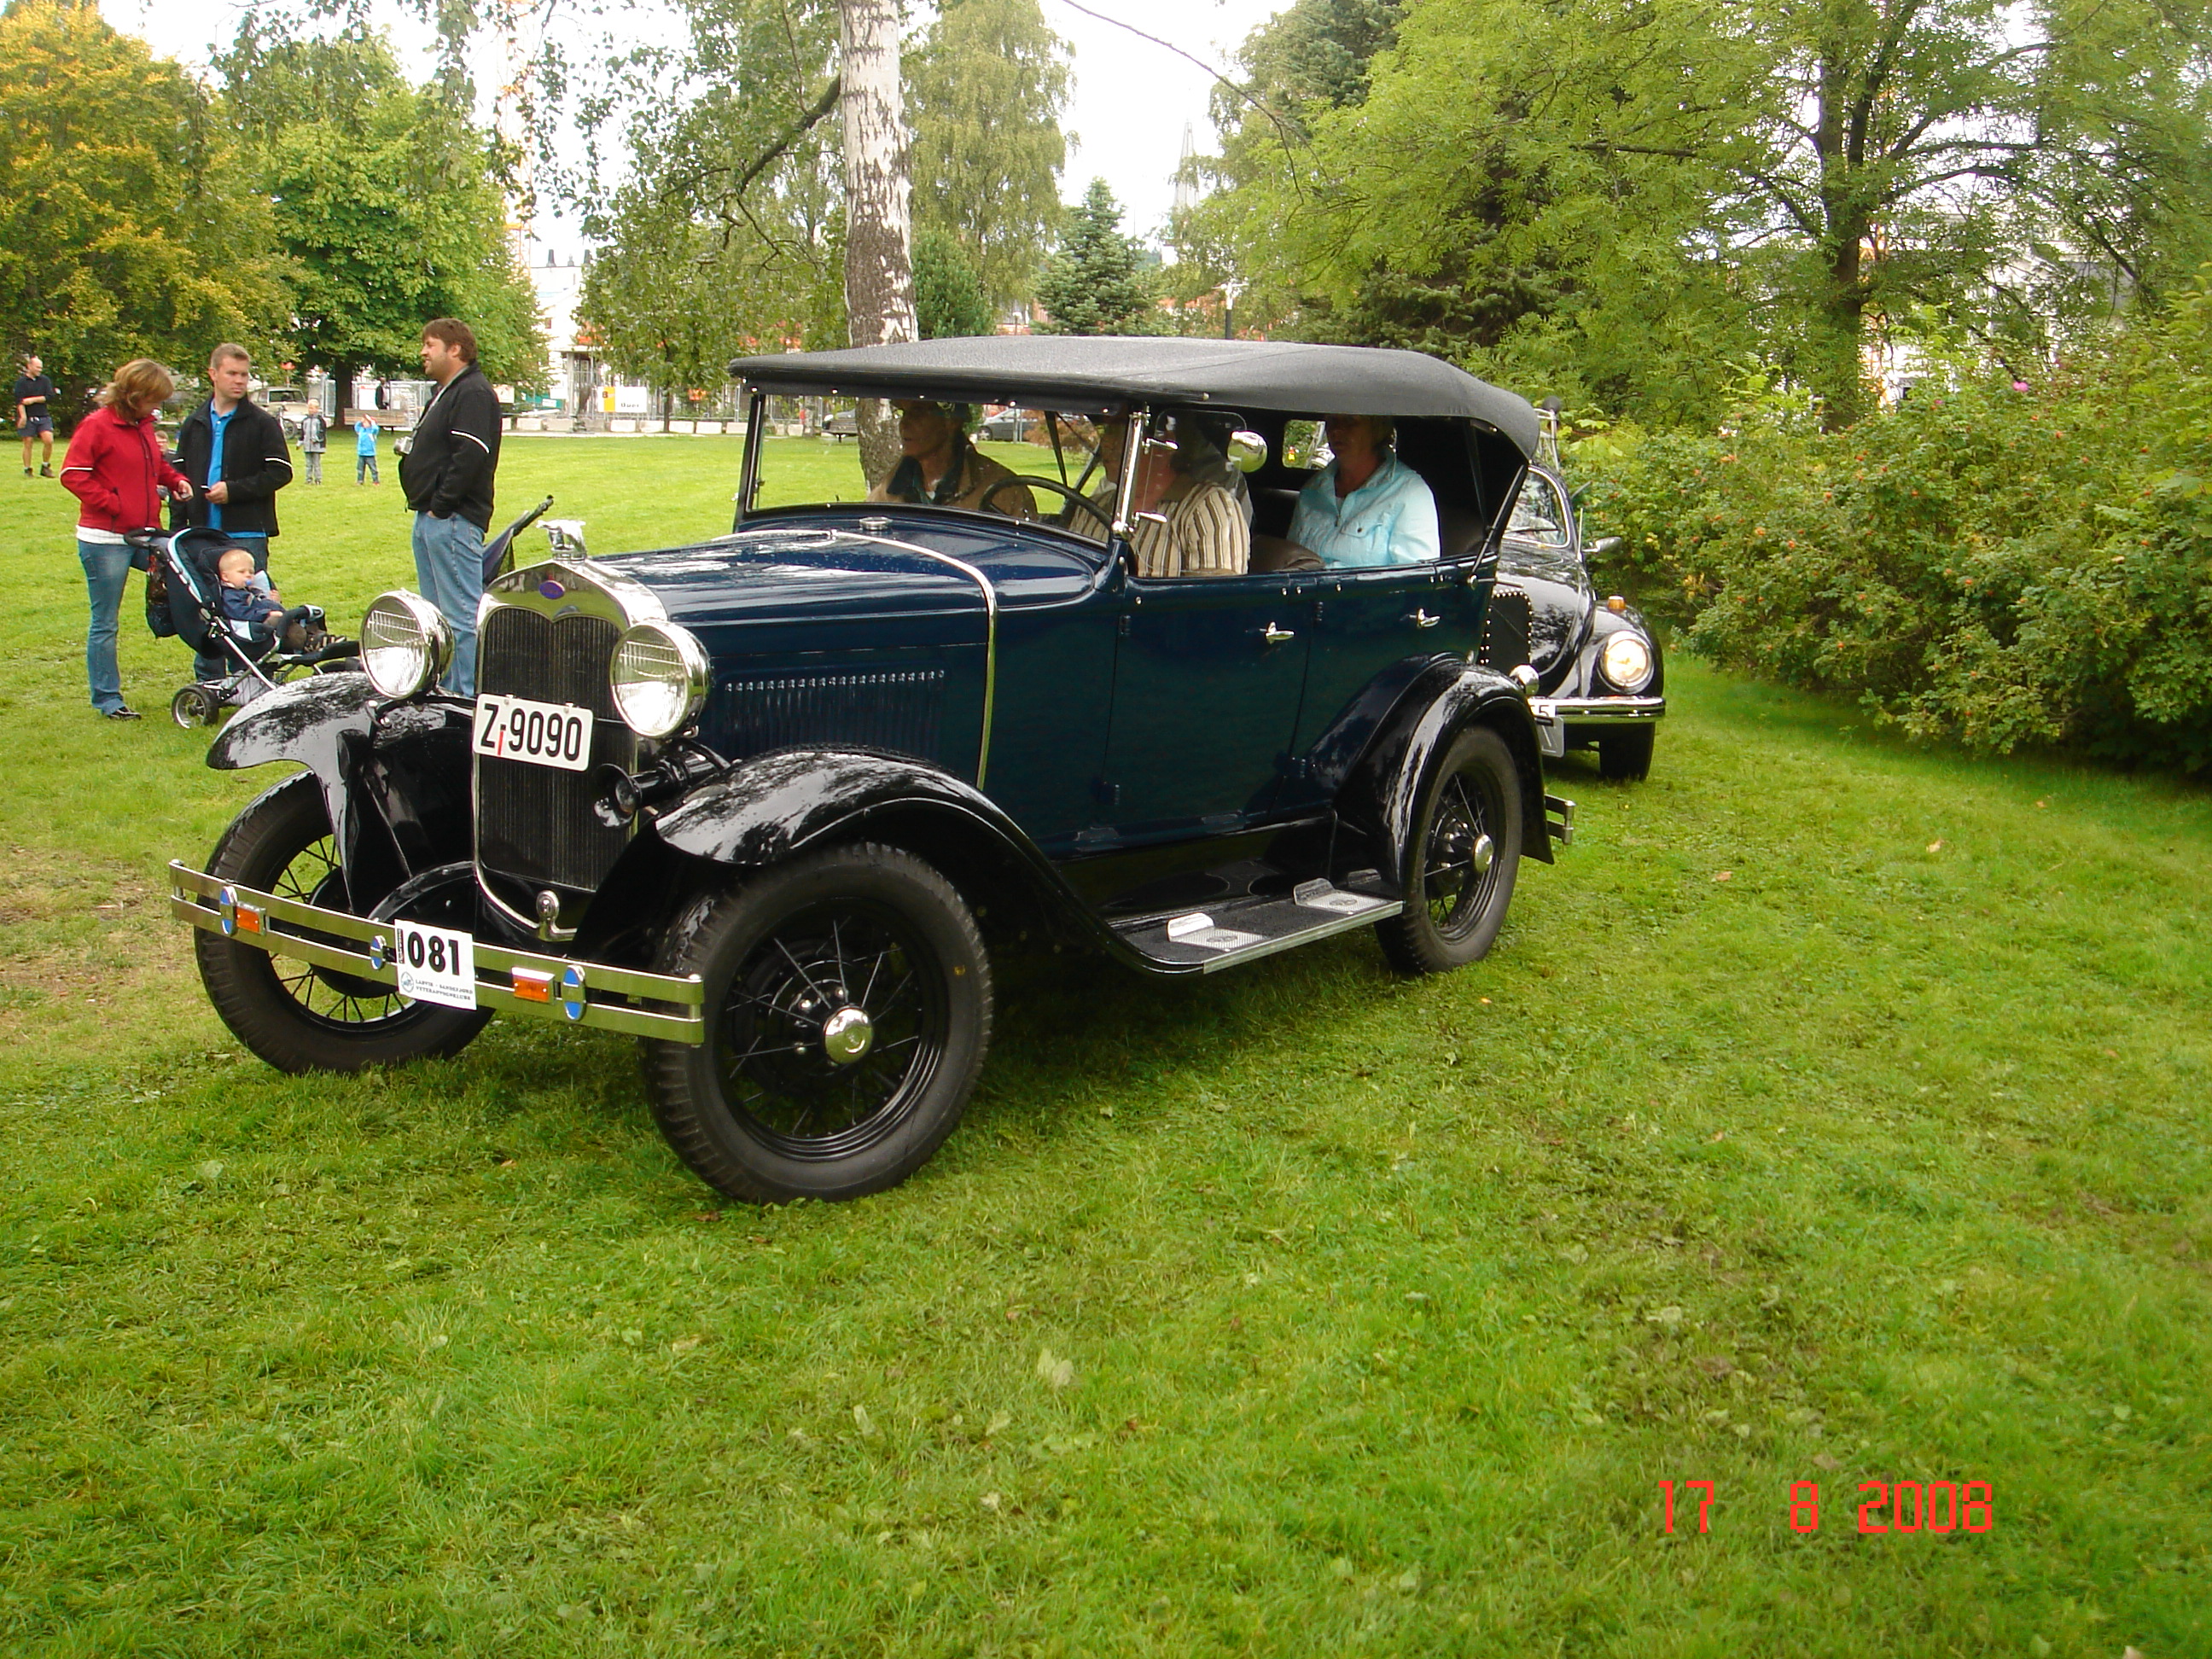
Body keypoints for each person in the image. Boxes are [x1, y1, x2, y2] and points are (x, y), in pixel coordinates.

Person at [58, 359, 193, 720]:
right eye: (153, 399)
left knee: (190, 584)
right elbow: (73, 474)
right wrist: (115, 504)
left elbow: (154, 466)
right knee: (105, 621)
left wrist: (175, 480)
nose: (157, 407)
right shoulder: (97, 426)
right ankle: (108, 699)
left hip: (144, 533)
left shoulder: (143, 426)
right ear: (135, 396)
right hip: (105, 539)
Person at [398, 317, 503, 698]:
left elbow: (470, 454)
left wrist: (442, 505)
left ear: (454, 349)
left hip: (453, 520)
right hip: (433, 519)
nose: (423, 352)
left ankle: (464, 700)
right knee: (436, 618)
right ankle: (441, 695)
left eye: (430, 344)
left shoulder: (472, 392)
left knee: (459, 617)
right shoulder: (446, 392)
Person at [178, 345, 294, 678]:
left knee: (252, 607)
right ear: (213, 374)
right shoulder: (195, 423)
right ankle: (210, 682)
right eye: (232, 373)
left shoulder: (261, 423)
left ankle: (253, 679)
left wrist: (234, 490)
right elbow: (179, 478)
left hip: (246, 533)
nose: (239, 381)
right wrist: (178, 529)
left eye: (244, 375)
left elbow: (280, 471)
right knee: (206, 609)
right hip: (202, 534)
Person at [1289, 413, 1440, 568]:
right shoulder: (1313, 489)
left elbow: (1416, 577)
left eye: (1350, 420)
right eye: (1332, 420)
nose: (1336, 430)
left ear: (1377, 428)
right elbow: (1289, 560)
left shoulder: (1411, 493)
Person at [1125, 414, 1249, 579]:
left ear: (1163, 445)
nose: (1107, 444)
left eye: (1119, 433)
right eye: (1107, 432)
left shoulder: (1209, 507)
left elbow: (1214, 592)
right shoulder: (1102, 504)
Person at [868, 400, 1034, 517]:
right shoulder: (891, 487)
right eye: (905, 413)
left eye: (917, 412)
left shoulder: (1003, 491)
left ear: (952, 422)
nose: (904, 424)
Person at [213, 544, 310, 650]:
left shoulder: (250, 591)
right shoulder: (230, 596)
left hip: (273, 621)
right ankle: (309, 642)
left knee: (303, 616)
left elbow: (261, 603)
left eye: (251, 572)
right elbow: (241, 613)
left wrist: (273, 602)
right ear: (225, 576)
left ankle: (313, 636)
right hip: (256, 628)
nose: (248, 575)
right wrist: (266, 614)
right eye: (242, 572)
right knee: (288, 627)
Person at [15, 353, 55, 477]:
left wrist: (33, 400)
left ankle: (45, 466)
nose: (39, 370)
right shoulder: (21, 382)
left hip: (43, 415)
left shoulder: (45, 380)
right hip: (28, 416)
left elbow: (49, 396)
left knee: (49, 440)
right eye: (37, 367)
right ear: (30, 366)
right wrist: (23, 416)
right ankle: (27, 469)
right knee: (28, 443)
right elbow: (19, 401)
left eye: (41, 368)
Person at [299, 405, 329, 484]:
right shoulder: (305, 420)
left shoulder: (320, 420)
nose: (311, 410)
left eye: (313, 408)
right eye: (310, 408)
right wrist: (300, 442)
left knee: (316, 464)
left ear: (317, 409)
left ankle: (318, 479)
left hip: (317, 446)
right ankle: (308, 479)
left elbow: (322, 432)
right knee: (308, 464)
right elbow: (303, 433)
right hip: (307, 446)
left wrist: (316, 439)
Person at [355, 413, 381, 482]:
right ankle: (360, 481)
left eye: (366, 423)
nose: (364, 424)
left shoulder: (372, 432)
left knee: (373, 469)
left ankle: (375, 480)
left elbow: (375, 428)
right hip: (361, 453)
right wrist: (361, 421)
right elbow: (356, 427)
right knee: (360, 469)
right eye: (363, 423)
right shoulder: (361, 430)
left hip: (370, 454)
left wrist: (372, 422)